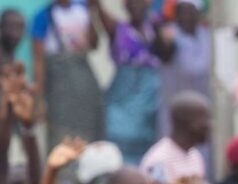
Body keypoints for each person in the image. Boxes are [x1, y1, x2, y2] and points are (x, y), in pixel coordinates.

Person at [94, 0, 170, 163]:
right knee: (118, 144)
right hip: (122, 98)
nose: (136, 6)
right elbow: (98, 8)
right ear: (125, 6)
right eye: (131, 2)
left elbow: (166, 54)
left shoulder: (155, 28)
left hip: (149, 101)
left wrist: (157, 29)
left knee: (148, 148)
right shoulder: (117, 29)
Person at [32, 0, 103, 148]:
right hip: (59, 89)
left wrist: (93, 12)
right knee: (61, 135)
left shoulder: (82, 9)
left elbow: (94, 44)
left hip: (85, 84)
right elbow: (39, 62)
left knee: (90, 133)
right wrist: (38, 100)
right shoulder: (43, 17)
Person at [157, 0, 211, 142]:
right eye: (181, 10)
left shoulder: (207, 36)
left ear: (198, 12)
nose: (185, 15)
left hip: (202, 117)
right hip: (174, 117)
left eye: (190, 10)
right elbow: (164, 51)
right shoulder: (169, 34)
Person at [140, 91, 210, 184]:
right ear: (187, 122)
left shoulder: (195, 156)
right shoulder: (158, 161)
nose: (209, 125)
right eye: (205, 119)